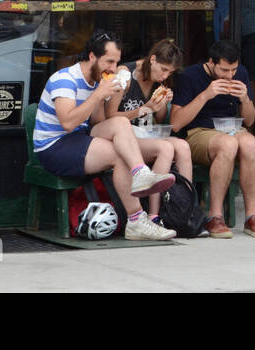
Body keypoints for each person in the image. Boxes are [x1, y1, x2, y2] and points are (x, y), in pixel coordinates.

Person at [31, 29, 178, 241]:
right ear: (92, 56)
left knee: (119, 123)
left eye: (116, 62)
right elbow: (68, 123)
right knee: (119, 155)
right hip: (54, 146)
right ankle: (137, 219)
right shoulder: (65, 79)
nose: (113, 68)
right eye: (109, 62)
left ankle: (140, 175)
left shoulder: (97, 81)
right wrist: (98, 95)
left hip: (81, 138)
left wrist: (104, 96)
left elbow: (98, 122)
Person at [170, 40, 255, 238]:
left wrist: (245, 99)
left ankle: (252, 216)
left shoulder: (241, 73)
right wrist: (206, 95)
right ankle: (215, 217)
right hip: (199, 132)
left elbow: (249, 121)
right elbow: (176, 123)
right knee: (228, 144)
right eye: (224, 70)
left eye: (233, 69)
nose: (230, 75)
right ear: (211, 62)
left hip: (233, 129)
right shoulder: (190, 76)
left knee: (250, 142)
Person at [105, 38, 193, 221]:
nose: (165, 76)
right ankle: (154, 214)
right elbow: (109, 116)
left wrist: (162, 103)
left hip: (145, 135)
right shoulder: (125, 75)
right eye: (163, 69)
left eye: (170, 72)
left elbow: (159, 119)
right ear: (152, 59)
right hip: (123, 139)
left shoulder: (159, 82)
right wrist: (145, 109)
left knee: (183, 146)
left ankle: (185, 210)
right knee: (166, 148)